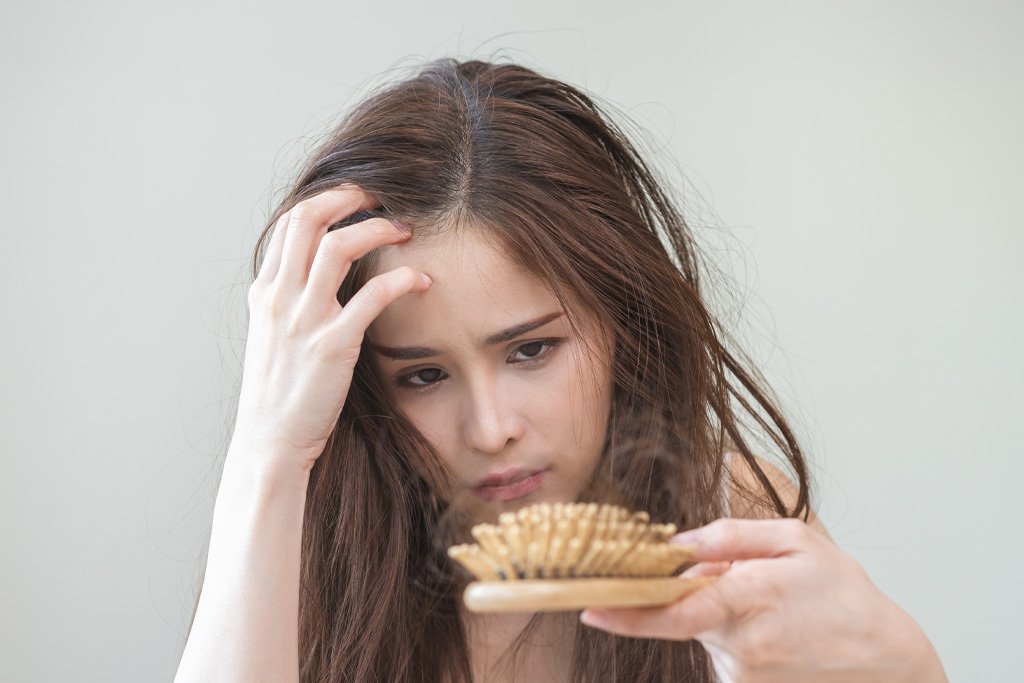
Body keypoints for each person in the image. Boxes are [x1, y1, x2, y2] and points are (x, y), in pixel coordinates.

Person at [173, 58, 947, 682]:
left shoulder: (730, 518)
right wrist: (268, 455)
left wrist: (904, 665)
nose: (492, 428)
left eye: (531, 349)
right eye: (423, 375)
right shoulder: (305, 540)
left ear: (620, 318)